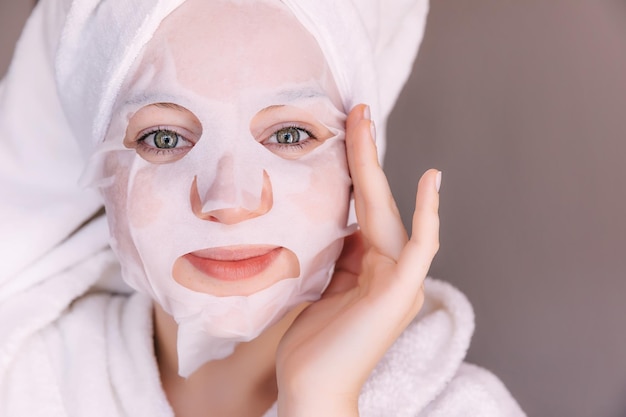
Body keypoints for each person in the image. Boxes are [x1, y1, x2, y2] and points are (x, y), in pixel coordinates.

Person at [0, 0, 525, 416]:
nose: (230, 203)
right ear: (100, 171)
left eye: (290, 134)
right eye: (163, 138)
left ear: (360, 163)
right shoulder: (22, 382)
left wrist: (319, 403)